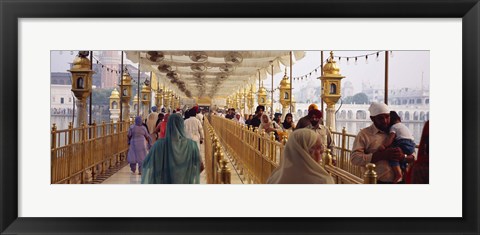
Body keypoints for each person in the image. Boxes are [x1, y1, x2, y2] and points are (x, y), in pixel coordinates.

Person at [350, 102, 414, 184]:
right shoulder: (364, 134)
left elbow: (413, 155)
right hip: (377, 181)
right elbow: (355, 158)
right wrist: (382, 155)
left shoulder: (398, 130)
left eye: (387, 117)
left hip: (402, 181)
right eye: (380, 118)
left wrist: (403, 156)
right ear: (372, 119)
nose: (385, 121)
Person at [141, 114, 203, 184]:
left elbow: (146, 164)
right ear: (182, 126)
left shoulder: (158, 145)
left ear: (168, 126)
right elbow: (201, 166)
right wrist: (188, 174)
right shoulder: (192, 145)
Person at [267, 129, 334, 184]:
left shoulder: (275, 177)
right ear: (306, 152)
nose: (322, 152)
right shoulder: (322, 181)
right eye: (319, 148)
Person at [379, 111, 416, 183]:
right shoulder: (404, 127)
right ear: (399, 118)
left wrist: (383, 145)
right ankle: (405, 173)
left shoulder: (393, 127)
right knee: (401, 159)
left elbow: (390, 138)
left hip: (403, 143)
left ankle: (398, 174)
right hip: (411, 144)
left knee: (393, 155)